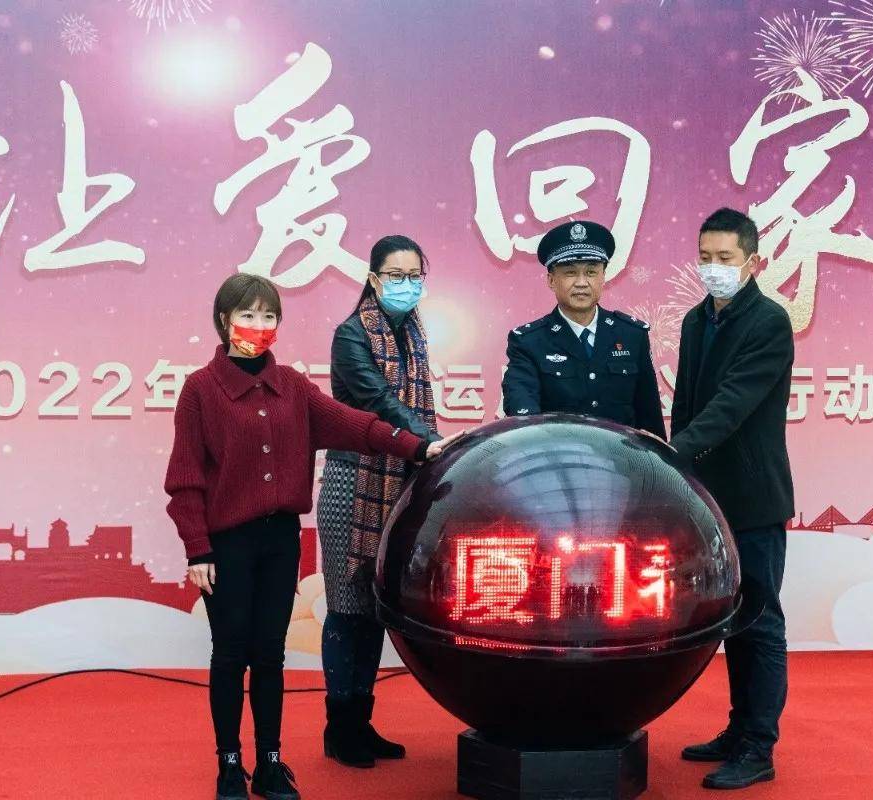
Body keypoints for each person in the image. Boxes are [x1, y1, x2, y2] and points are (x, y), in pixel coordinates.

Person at [164, 274, 461, 800]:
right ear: (224, 321)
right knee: (230, 654)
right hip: (226, 546)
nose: (259, 326)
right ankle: (230, 764)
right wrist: (197, 550)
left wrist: (418, 447)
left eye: (269, 316)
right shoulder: (200, 390)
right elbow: (185, 480)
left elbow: (357, 426)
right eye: (248, 315)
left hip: (281, 540)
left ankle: (270, 762)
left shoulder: (293, 387)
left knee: (270, 655)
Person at [670, 208, 794, 790]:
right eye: (705, 257)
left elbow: (732, 404)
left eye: (725, 258)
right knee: (728, 621)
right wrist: (677, 465)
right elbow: (687, 404)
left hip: (753, 498)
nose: (713, 268)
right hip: (706, 499)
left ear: (753, 262)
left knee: (760, 622)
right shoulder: (696, 320)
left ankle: (758, 746)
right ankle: (737, 729)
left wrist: (675, 450)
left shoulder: (769, 322)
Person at [316, 235, 441, 768]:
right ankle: (339, 728)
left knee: (373, 613)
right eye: (395, 275)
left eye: (415, 275)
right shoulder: (351, 335)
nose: (406, 284)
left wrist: (427, 443)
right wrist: (431, 440)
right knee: (347, 610)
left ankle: (362, 723)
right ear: (373, 279)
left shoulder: (412, 333)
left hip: (397, 484)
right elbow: (378, 402)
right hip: (353, 483)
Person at [502, 220, 666, 439]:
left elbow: (650, 422)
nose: (581, 282)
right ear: (551, 280)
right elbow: (523, 416)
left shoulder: (631, 335)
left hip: (620, 459)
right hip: (556, 456)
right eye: (570, 273)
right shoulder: (528, 342)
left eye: (591, 272)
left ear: (603, 277)